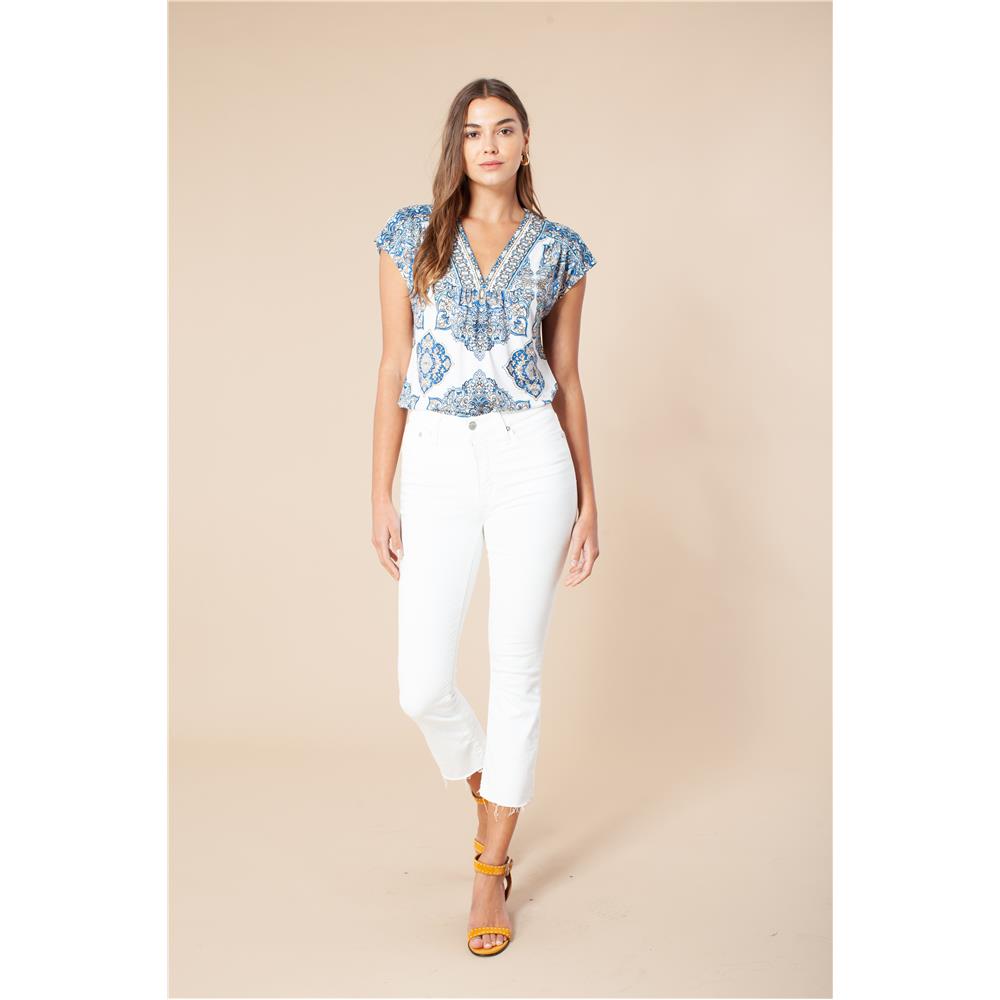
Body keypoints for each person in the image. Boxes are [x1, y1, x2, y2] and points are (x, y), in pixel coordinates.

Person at [370, 78, 601, 957]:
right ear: (457, 145)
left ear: (525, 141)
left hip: (530, 459)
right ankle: (490, 781)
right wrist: (380, 490)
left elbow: (567, 378)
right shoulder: (412, 237)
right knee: (422, 682)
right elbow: (392, 366)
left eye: (505, 129)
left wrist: (590, 499)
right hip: (435, 457)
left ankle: (490, 865)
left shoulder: (559, 249)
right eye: (474, 132)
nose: (491, 144)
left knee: (517, 664)